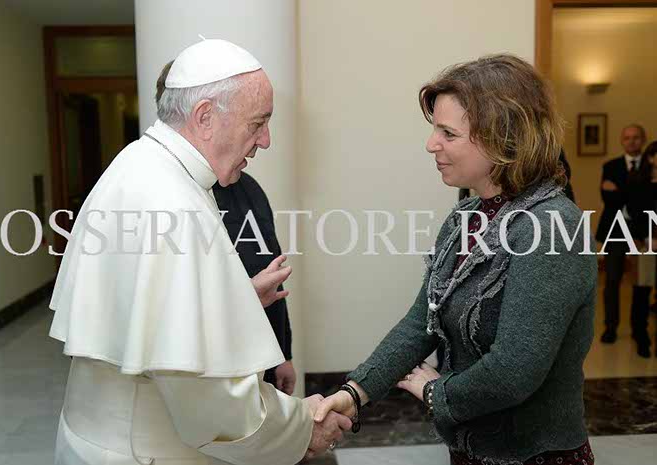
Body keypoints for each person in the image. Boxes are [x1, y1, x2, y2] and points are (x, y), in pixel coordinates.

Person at [49, 39, 350, 465]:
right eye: (258, 123)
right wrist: (303, 425)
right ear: (205, 116)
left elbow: (154, 313)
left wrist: (238, 300)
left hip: (98, 437)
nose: (265, 140)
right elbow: (214, 406)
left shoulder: (139, 163)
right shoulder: (174, 202)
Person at [315, 55, 597, 464]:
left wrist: (436, 392)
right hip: (469, 450)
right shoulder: (466, 216)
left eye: (448, 133)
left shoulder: (553, 226)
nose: (431, 144)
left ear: (502, 138)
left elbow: (514, 371)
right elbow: (420, 323)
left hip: (538, 455)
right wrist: (354, 393)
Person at [156, 61, 296, 393]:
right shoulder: (166, 194)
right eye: (257, 123)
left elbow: (271, 274)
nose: (265, 140)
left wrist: (282, 354)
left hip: (256, 360)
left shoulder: (248, 188)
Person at [595, 124, 648, 344]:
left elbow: (647, 200)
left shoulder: (651, 166)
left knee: (641, 282)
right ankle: (610, 327)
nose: (631, 141)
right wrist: (635, 194)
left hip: (642, 231)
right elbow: (608, 199)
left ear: (643, 139)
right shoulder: (610, 166)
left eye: (636, 137)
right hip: (615, 229)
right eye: (627, 137)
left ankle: (639, 330)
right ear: (621, 140)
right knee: (612, 280)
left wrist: (621, 191)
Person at [631, 140, 657, 357]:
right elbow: (635, 216)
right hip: (645, 244)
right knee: (642, 292)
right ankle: (641, 337)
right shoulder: (640, 184)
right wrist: (647, 238)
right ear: (650, 158)